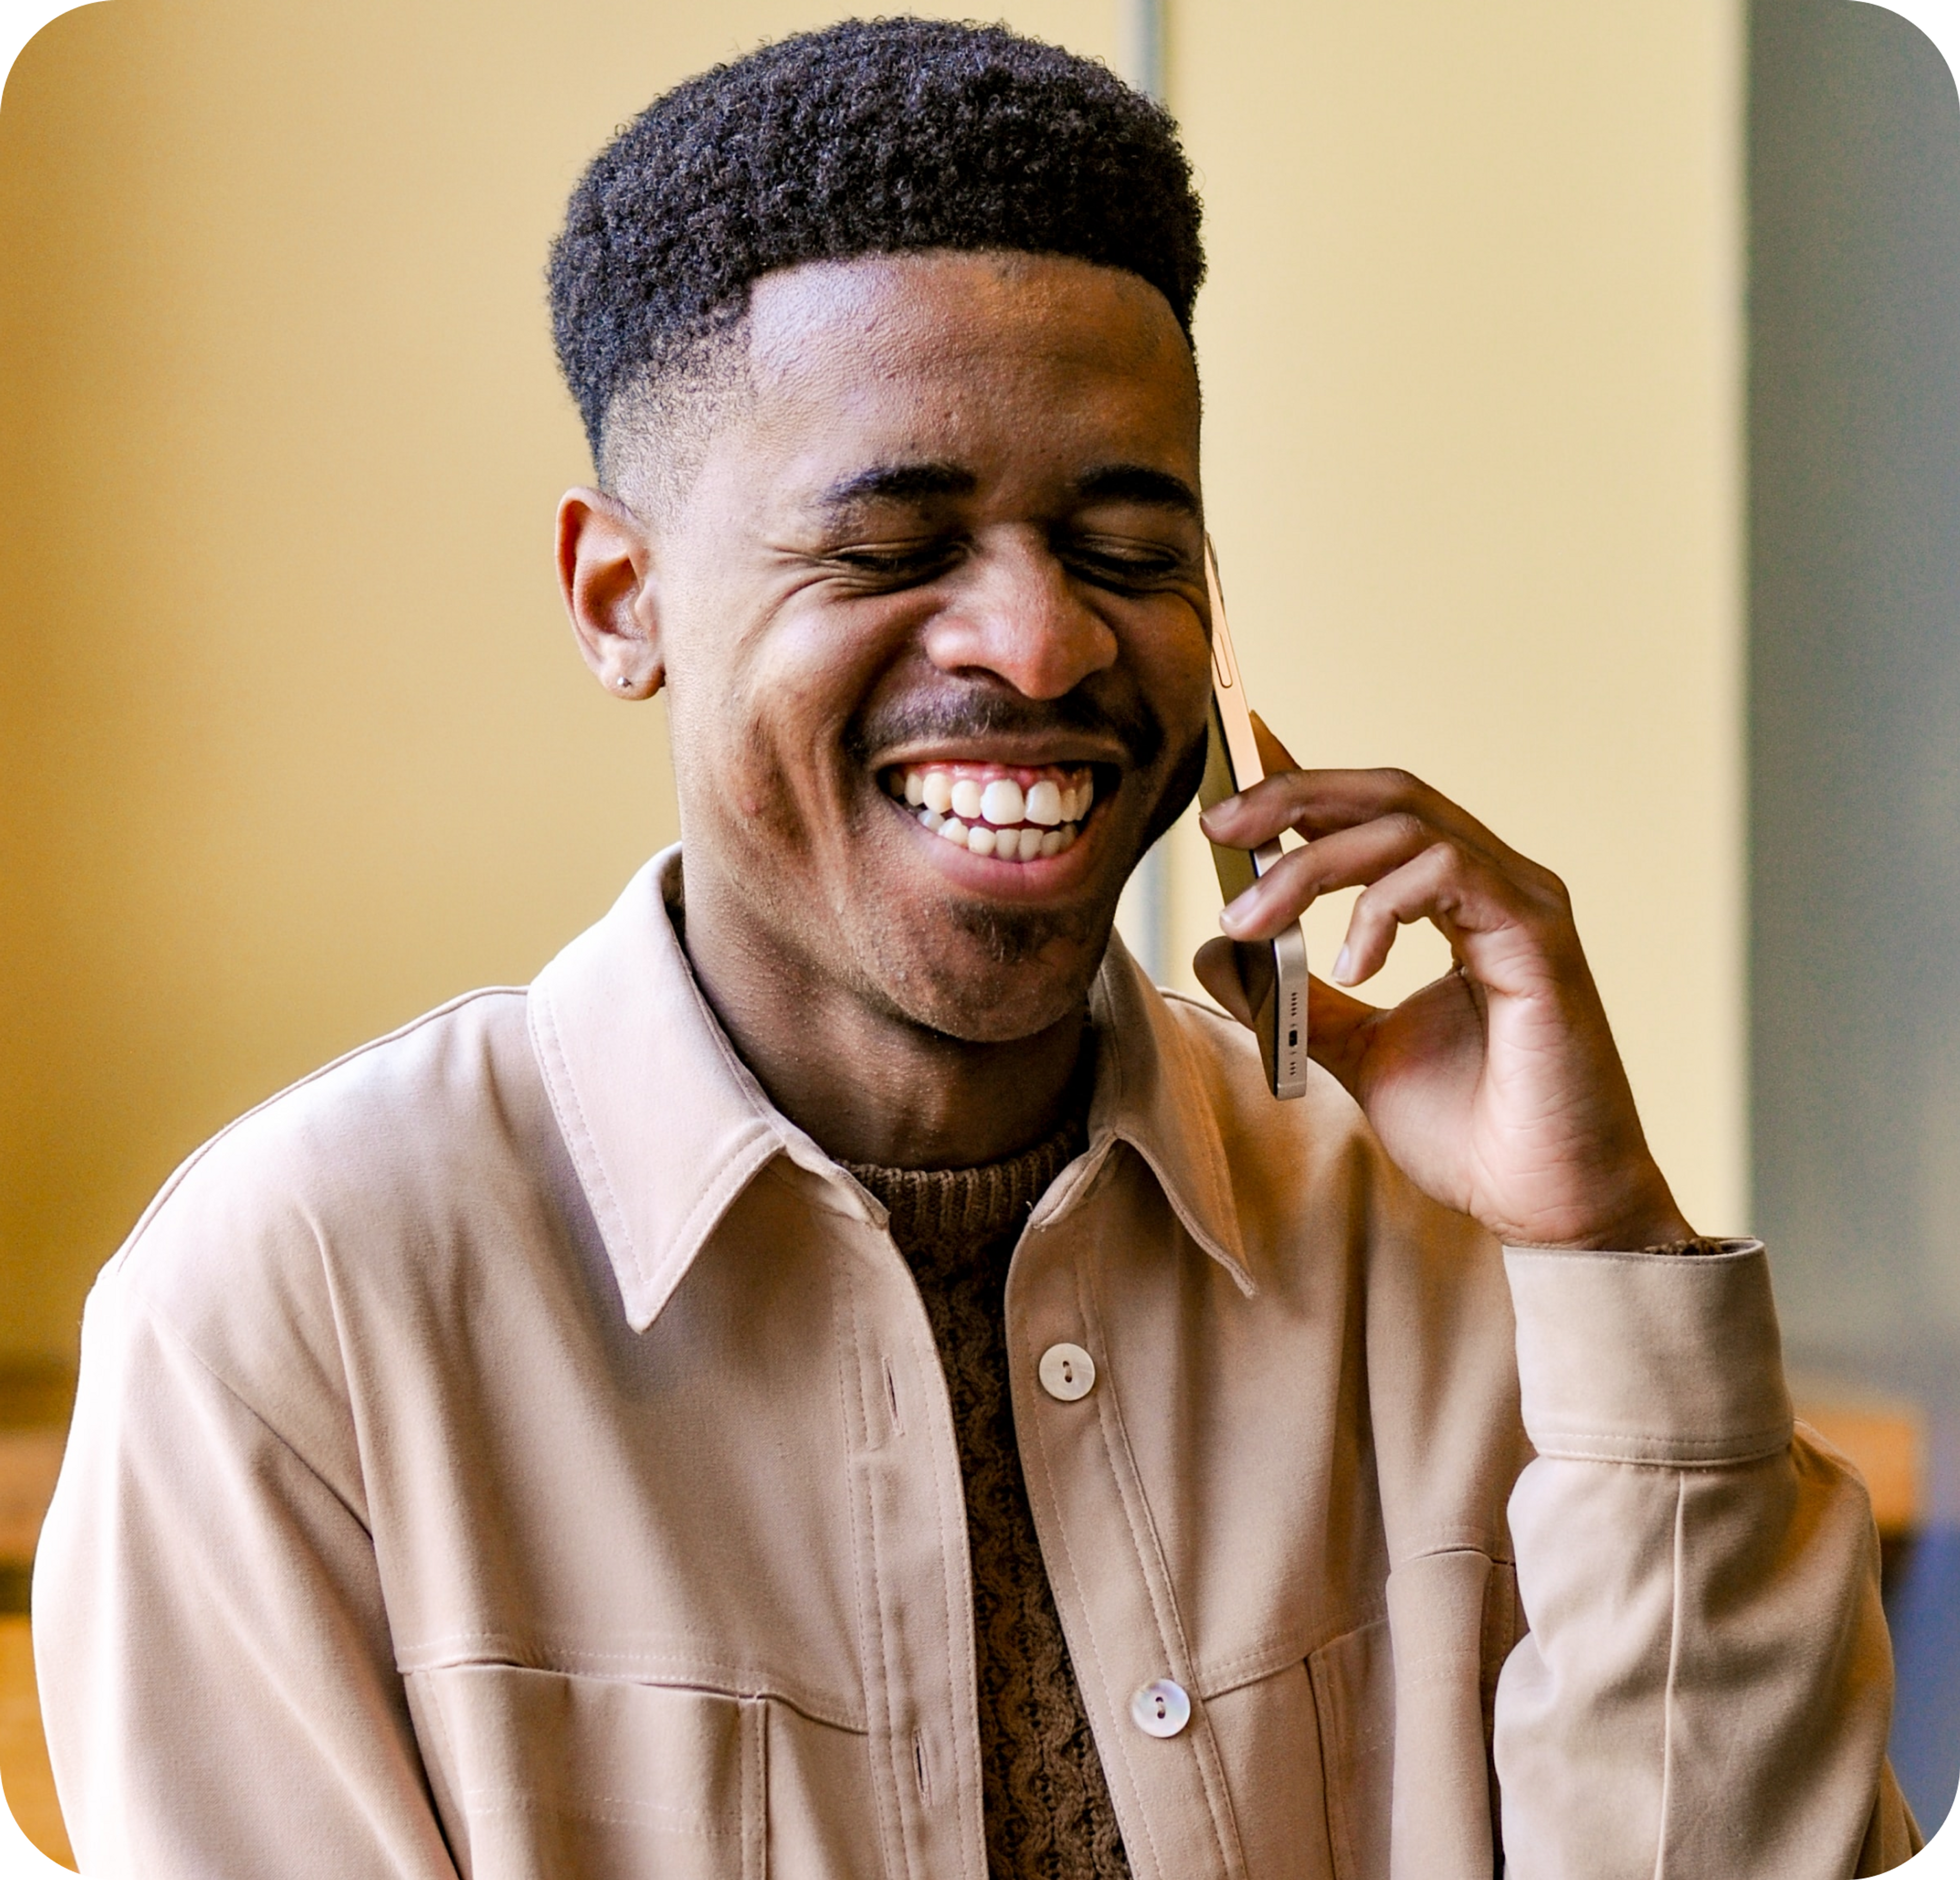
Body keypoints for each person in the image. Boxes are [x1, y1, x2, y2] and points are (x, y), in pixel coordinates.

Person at [34, 19, 1919, 1878]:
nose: (1039, 646)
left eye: (1125, 545)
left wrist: (1604, 1253)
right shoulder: (289, 1315)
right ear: (627, 601)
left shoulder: (1434, 1251)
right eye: (891, 547)